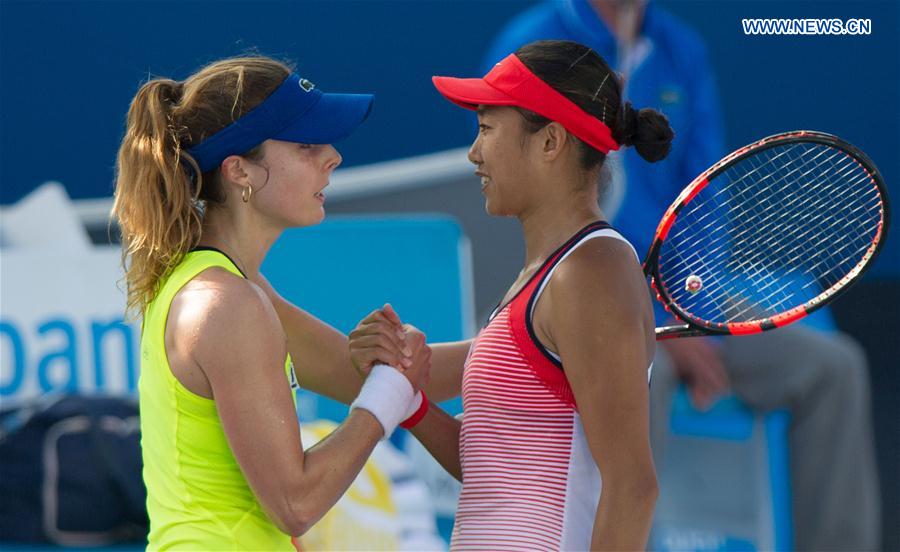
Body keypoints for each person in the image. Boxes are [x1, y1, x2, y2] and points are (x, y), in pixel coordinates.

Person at [477, 2, 881, 551]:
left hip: (680, 297)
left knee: (834, 369)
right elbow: (535, 209)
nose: (476, 148)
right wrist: (649, 315)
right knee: (643, 380)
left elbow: (703, 194)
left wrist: (690, 304)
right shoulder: (535, 43)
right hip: (576, 302)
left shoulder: (682, 50)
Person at [350, 39, 671, 550]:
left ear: (550, 142)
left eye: (486, 128)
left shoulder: (591, 271)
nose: (473, 153)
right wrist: (412, 403)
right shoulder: (548, 274)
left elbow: (633, 488)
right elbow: (495, 472)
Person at [112, 56, 432, 549]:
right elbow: (294, 504)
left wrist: (523, 341)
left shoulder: (225, 287)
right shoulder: (225, 304)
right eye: (306, 145)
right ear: (239, 171)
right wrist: (386, 397)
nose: (333, 157)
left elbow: (362, 375)